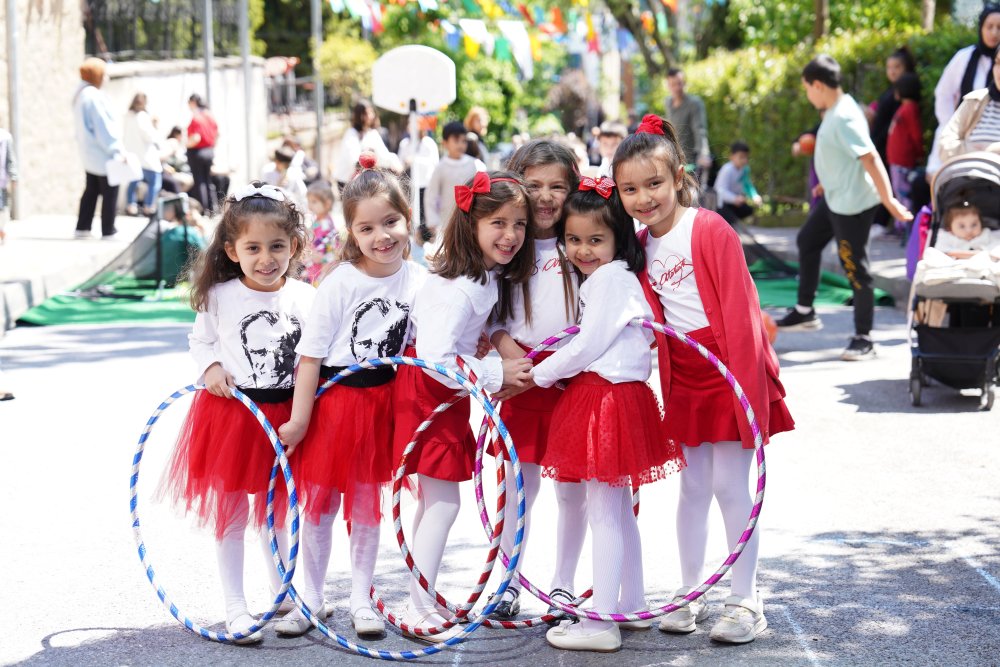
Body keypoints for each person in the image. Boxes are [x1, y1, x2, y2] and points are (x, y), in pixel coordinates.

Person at [613, 114, 794, 645]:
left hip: (729, 370)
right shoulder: (638, 247)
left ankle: (746, 599)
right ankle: (691, 591)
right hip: (686, 376)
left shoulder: (709, 229)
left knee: (729, 485)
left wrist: (748, 399)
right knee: (692, 487)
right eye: (629, 189)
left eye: (654, 183)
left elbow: (742, 318)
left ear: (678, 178)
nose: (643, 198)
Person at [273, 155, 427, 639]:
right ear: (352, 233)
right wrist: (300, 420)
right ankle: (312, 597)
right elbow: (310, 356)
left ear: (408, 219)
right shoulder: (341, 281)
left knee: (366, 506)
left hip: (382, 404)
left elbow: (427, 338)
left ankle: (362, 598)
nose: (382, 236)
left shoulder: (417, 279)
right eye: (367, 228)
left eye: (391, 222)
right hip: (334, 405)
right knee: (320, 505)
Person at [156, 182, 314, 644]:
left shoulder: (306, 297)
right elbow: (201, 340)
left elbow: (315, 354)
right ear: (232, 250)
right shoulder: (221, 296)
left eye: (277, 246)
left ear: (294, 246)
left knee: (276, 508)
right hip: (234, 414)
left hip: (286, 415)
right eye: (253, 248)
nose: (266, 258)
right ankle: (235, 605)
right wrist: (210, 367)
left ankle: (282, 589)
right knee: (231, 512)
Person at [535, 182, 683, 653]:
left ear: (618, 237)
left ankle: (601, 622)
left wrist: (540, 373)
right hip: (618, 396)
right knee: (617, 511)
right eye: (573, 239)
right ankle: (631, 605)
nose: (583, 250)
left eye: (595, 240)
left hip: (605, 399)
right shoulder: (612, 278)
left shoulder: (610, 281)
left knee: (604, 512)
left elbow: (588, 344)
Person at [390, 171, 534, 640]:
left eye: (519, 224)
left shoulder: (483, 276)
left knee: (436, 500)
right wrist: (496, 373)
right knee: (444, 503)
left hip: (445, 393)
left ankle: (420, 596)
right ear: (472, 224)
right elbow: (437, 359)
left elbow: (464, 338)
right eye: (498, 223)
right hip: (428, 392)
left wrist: (488, 346)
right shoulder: (456, 285)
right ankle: (418, 605)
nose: (510, 235)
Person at [488, 140, 586, 621]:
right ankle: (508, 580)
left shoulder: (584, 240)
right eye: (534, 186)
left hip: (573, 378)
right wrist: (507, 349)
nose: (545, 197)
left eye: (557, 187)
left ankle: (564, 584)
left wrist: (559, 365)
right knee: (517, 485)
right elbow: (487, 314)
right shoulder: (508, 245)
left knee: (573, 489)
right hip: (521, 377)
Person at [776, 55, 913, 361]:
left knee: (854, 267)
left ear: (818, 85)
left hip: (852, 205)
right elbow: (843, 155)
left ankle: (864, 338)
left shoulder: (844, 116)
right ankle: (805, 311)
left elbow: (870, 157)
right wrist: (827, 181)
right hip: (836, 196)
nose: (807, 95)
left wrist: (889, 200)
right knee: (807, 241)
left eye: (807, 89)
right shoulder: (838, 108)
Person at [930, 5, 1000, 174]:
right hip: (963, 145)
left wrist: (989, 150)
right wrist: (953, 127)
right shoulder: (965, 58)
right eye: (989, 26)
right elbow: (943, 94)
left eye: (999, 28)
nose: (994, 33)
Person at [866, 47, 917, 232]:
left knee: (889, 184)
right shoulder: (891, 91)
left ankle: (886, 222)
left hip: (890, 148)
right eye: (889, 67)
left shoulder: (903, 96)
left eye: (897, 67)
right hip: (881, 144)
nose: (892, 71)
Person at [73, 57, 124, 240]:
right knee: (110, 191)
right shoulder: (94, 97)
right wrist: (117, 149)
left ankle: (83, 226)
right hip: (103, 154)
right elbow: (103, 128)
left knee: (92, 190)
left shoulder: (80, 94)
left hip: (90, 154)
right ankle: (108, 229)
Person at [423, 121, 484, 249]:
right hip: (447, 219)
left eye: (463, 141)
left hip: (471, 218)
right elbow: (431, 195)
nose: (461, 144)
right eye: (456, 140)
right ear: (445, 143)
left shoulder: (475, 164)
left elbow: (484, 188)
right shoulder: (441, 167)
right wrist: (433, 221)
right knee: (451, 248)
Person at [939, 49, 1000, 162]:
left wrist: (991, 150)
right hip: (966, 171)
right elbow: (945, 144)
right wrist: (983, 153)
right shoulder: (975, 100)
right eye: (997, 63)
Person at [332, 100, 399, 192]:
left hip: (361, 181)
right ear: (360, 115)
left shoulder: (372, 133)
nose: (371, 116)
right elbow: (354, 159)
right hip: (347, 181)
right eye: (367, 113)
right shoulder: (351, 134)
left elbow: (383, 155)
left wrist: (394, 162)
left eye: (371, 112)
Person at [886, 73, 924, 231]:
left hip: (903, 160)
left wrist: (919, 154)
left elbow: (916, 134)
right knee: (899, 192)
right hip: (897, 160)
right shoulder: (905, 108)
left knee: (903, 193)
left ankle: (906, 226)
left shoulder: (910, 109)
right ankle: (901, 226)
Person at [397, 119, 440, 239]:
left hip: (425, 184)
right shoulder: (405, 144)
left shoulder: (428, 143)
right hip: (409, 184)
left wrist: (415, 160)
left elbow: (434, 163)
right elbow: (400, 163)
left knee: (425, 214)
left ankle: (426, 239)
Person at [123, 93, 164, 217]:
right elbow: (150, 136)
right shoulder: (143, 117)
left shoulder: (128, 116)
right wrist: (155, 126)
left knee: (133, 182)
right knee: (154, 181)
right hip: (146, 156)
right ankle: (148, 207)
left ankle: (131, 206)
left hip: (132, 155)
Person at [663, 68, 712, 172]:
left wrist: (703, 153)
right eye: (673, 84)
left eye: (679, 83)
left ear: (684, 83)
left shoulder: (694, 103)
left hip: (691, 160)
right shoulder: (668, 103)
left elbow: (699, 130)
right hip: (674, 157)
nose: (677, 88)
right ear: (668, 86)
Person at [302, 180, 342, 285]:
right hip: (315, 262)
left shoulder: (326, 225)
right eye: (309, 201)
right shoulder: (318, 220)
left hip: (322, 266)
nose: (310, 206)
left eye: (314, 202)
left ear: (327, 203)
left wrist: (322, 258)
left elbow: (330, 248)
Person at [715, 142, 763, 226]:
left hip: (735, 202)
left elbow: (747, 184)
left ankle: (733, 225)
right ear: (732, 156)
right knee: (729, 218)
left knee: (748, 210)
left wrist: (754, 196)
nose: (744, 160)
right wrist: (734, 198)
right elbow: (720, 191)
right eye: (741, 157)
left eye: (746, 157)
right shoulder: (727, 169)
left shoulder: (744, 170)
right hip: (722, 204)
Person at [186, 94, 219, 214]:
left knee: (200, 182)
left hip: (197, 152)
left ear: (193, 102)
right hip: (209, 151)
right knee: (208, 181)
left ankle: (203, 209)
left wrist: (186, 144)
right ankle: (212, 208)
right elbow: (217, 134)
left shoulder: (197, 117)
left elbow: (196, 138)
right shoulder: (210, 116)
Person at [263, 146, 308, 212]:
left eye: (288, 165)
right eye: (285, 165)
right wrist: (278, 186)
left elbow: (302, 193)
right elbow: (264, 191)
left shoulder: (293, 173)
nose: (287, 167)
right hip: (272, 208)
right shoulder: (268, 172)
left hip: (289, 208)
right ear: (277, 162)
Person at [0, 125, 16, 245]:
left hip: (1, 181)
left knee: (1, 208)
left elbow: (10, 159)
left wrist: (13, 176)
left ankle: (1, 230)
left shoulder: (5, 137)